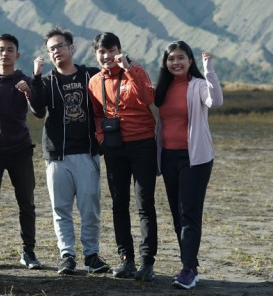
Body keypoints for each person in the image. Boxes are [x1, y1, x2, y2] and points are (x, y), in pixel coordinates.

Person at [28, 28, 110, 275]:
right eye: (51, 48)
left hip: (87, 153)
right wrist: (34, 78)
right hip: (57, 155)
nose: (56, 51)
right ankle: (67, 255)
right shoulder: (46, 81)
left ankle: (92, 255)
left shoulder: (90, 75)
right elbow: (38, 111)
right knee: (60, 209)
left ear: (71, 48)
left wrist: (131, 68)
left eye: (60, 46)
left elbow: (114, 84)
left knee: (90, 208)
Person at [88, 32, 158, 281]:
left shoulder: (136, 70)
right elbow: (96, 114)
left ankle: (147, 262)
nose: (106, 56)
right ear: (96, 54)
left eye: (111, 50)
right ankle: (126, 260)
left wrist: (129, 69)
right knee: (119, 204)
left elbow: (148, 98)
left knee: (144, 204)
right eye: (101, 52)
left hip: (142, 145)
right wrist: (101, 139)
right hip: (114, 147)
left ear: (119, 50)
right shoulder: (95, 81)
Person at [154, 41, 223, 290]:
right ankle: (189, 265)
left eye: (181, 57)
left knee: (189, 214)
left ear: (190, 60)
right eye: (171, 58)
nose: (176, 62)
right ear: (166, 63)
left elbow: (215, 101)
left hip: (195, 158)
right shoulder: (161, 89)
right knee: (176, 214)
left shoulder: (198, 86)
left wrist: (209, 69)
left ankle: (188, 270)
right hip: (169, 157)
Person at [0, 34, 44, 271]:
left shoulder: (25, 80)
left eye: (10, 49)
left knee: (27, 204)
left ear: (17, 55)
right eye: (1, 49)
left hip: (20, 151)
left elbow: (38, 112)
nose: (5, 53)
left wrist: (29, 92)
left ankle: (29, 252)